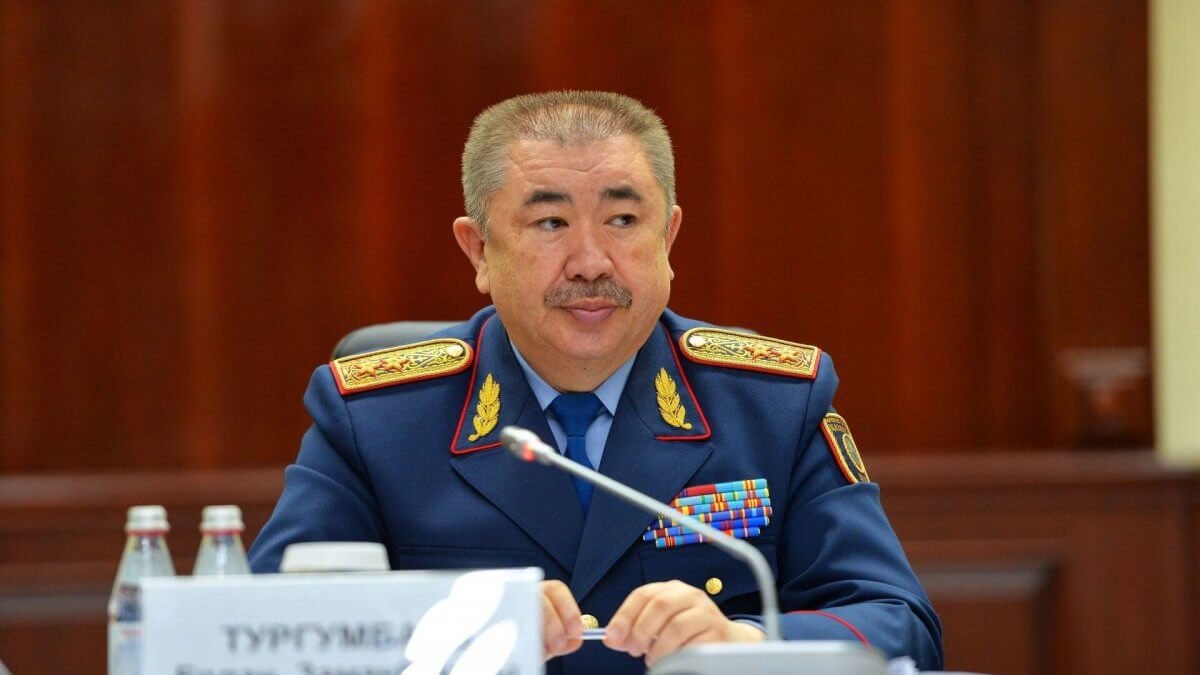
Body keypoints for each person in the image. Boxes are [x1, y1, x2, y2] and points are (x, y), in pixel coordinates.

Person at [248, 91, 942, 673]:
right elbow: (262, 635)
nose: (590, 261)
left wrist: (748, 644)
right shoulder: (375, 419)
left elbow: (898, 623)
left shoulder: (774, 404)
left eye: (622, 220)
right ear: (479, 249)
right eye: (550, 222)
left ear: (667, 238)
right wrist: (450, 624)